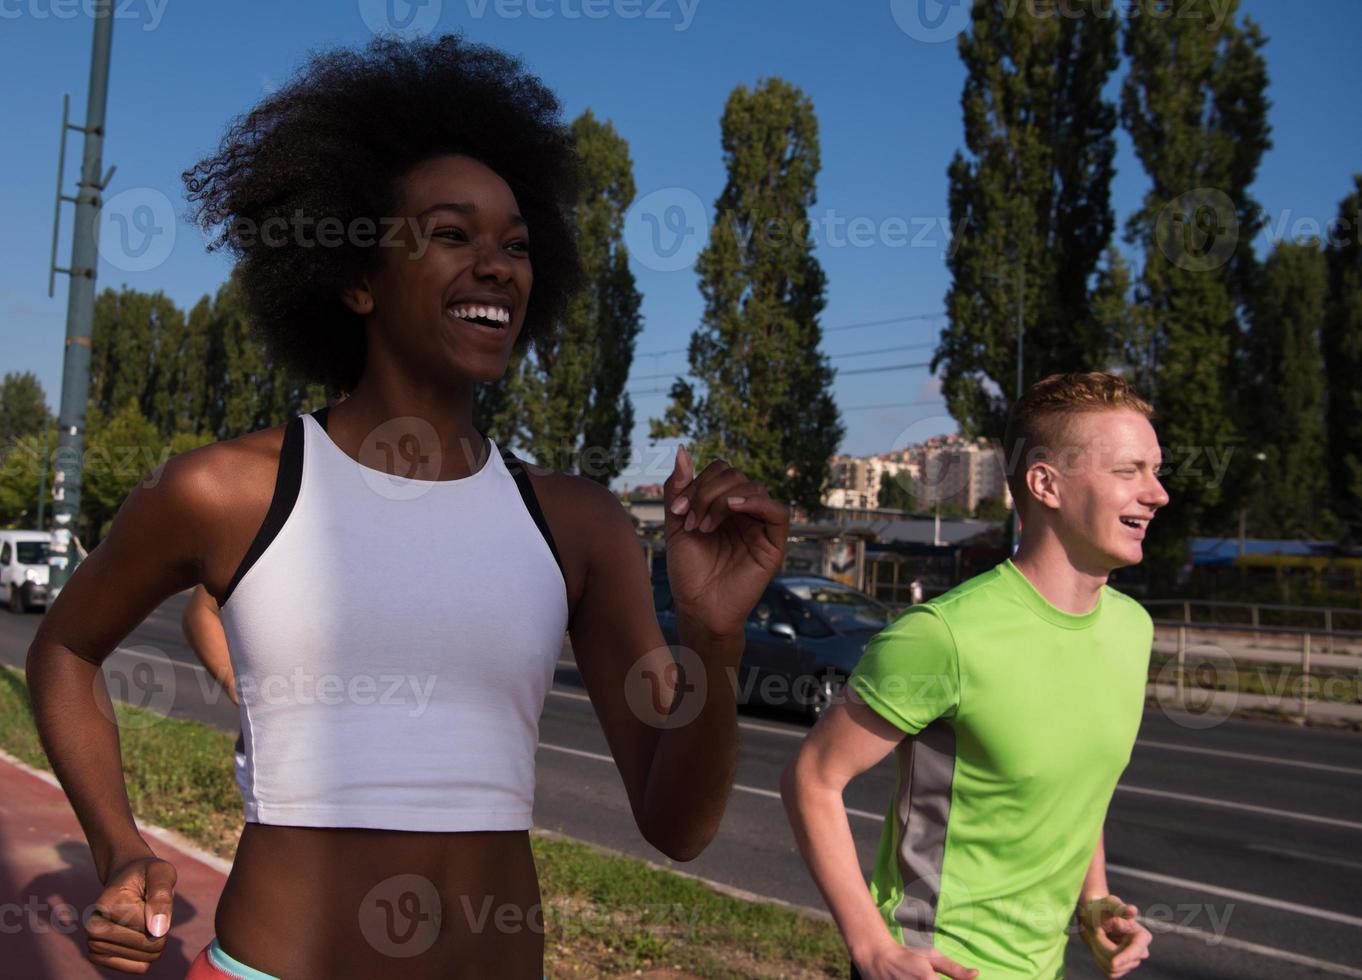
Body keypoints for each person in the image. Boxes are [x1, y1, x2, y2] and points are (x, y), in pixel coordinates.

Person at [25, 34, 789, 979]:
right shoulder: (225, 491)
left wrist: (713, 639)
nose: (498, 266)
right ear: (355, 278)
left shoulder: (579, 523)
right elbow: (63, 649)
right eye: (452, 234)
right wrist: (120, 845)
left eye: (515, 244)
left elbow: (677, 828)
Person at [781, 372, 1164, 980]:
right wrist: (872, 946)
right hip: (937, 968)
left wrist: (1095, 899)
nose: (1157, 493)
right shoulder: (944, 636)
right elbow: (813, 779)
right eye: (1129, 471)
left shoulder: (1132, 629)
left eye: (1155, 470)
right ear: (1046, 485)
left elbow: (1077, 792)